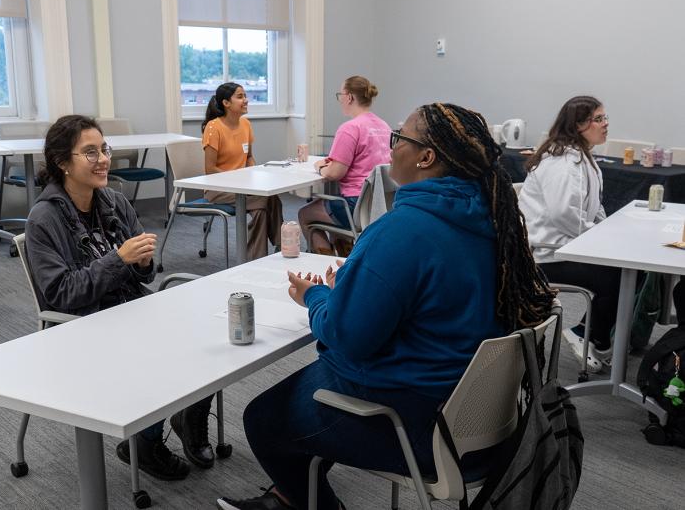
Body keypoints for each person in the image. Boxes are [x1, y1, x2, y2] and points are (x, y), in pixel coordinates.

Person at [217, 103, 556, 510]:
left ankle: (319, 505)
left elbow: (349, 339)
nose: (391, 149)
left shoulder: (402, 231)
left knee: (263, 418)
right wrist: (362, 289)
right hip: (480, 418)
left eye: (400, 139)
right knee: (305, 396)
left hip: (414, 422)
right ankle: (289, 495)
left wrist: (316, 297)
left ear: (426, 157)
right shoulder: (494, 219)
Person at [25, 115, 212, 480]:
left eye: (104, 149)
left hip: (130, 310)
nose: (103, 159)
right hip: (84, 324)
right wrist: (119, 259)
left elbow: (144, 274)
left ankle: (190, 416)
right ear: (62, 163)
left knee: (209, 330)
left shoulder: (113, 201)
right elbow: (61, 296)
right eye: (90, 152)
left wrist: (141, 263)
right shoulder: (43, 220)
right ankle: (144, 443)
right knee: (159, 350)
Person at [518, 96, 617, 372]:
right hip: (543, 258)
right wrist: (597, 240)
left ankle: (596, 333)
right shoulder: (562, 161)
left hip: (561, 247)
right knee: (617, 275)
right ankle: (588, 333)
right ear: (578, 125)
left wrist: (606, 234)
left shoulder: (582, 157)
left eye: (605, 118)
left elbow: (592, 209)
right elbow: (565, 216)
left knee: (634, 270)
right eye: (598, 119)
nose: (605, 124)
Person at [297, 76, 391, 255]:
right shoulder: (384, 126)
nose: (340, 99)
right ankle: (346, 262)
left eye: (340, 94)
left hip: (355, 205)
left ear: (349, 97)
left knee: (305, 215)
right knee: (331, 217)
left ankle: (326, 264)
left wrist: (319, 166)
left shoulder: (350, 128)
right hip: (379, 204)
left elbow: (335, 173)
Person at [202, 82, 283, 261]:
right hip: (218, 188)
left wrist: (255, 175)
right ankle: (274, 249)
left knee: (268, 200)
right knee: (263, 199)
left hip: (243, 186)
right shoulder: (213, 128)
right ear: (226, 103)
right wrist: (237, 181)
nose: (245, 100)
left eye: (245, 96)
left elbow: (249, 158)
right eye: (240, 96)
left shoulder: (245, 124)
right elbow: (210, 169)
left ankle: (265, 253)